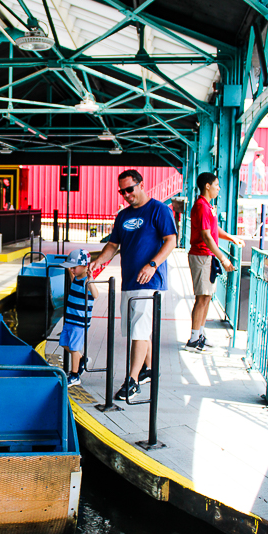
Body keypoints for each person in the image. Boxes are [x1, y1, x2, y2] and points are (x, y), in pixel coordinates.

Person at [89, 169, 177, 400]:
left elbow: (171, 241)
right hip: (129, 281)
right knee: (136, 329)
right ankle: (148, 369)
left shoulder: (160, 210)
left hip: (150, 282)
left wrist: (152, 264)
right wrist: (99, 260)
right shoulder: (123, 216)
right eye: (122, 191)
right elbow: (112, 244)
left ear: (141, 185)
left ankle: (132, 380)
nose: (126, 195)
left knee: (139, 329)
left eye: (129, 189)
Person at [186, 172, 245, 352]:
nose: (219, 188)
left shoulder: (208, 206)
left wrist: (231, 238)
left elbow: (213, 229)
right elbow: (206, 236)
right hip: (201, 256)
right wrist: (223, 258)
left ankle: (200, 334)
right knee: (201, 297)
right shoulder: (201, 206)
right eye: (217, 185)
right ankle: (193, 339)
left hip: (207, 256)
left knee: (207, 297)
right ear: (207, 186)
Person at [59, 249, 98, 387]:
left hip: (79, 322)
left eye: (74, 267)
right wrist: (72, 273)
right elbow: (73, 280)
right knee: (63, 343)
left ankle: (75, 375)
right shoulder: (76, 278)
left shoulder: (87, 282)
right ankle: (82, 359)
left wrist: (91, 280)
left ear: (84, 266)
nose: (72, 270)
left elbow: (96, 294)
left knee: (74, 348)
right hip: (70, 319)